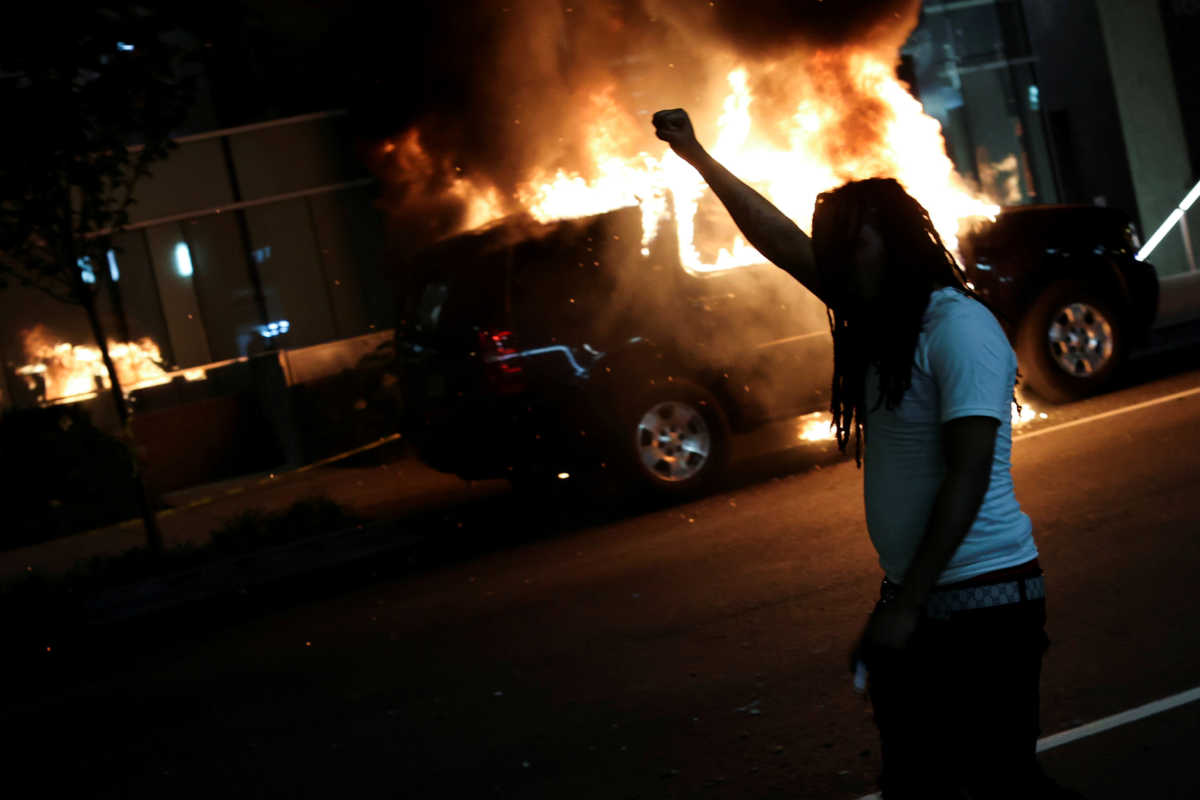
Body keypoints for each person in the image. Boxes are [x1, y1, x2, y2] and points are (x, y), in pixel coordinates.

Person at [652, 108, 1081, 799]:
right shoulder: (879, 316)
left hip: (985, 601)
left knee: (997, 783)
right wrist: (698, 157)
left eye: (856, 245)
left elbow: (968, 474)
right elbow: (779, 238)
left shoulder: (958, 328)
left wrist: (907, 604)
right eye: (837, 249)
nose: (840, 262)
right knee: (920, 781)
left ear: (898, 243)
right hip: (923, 595)